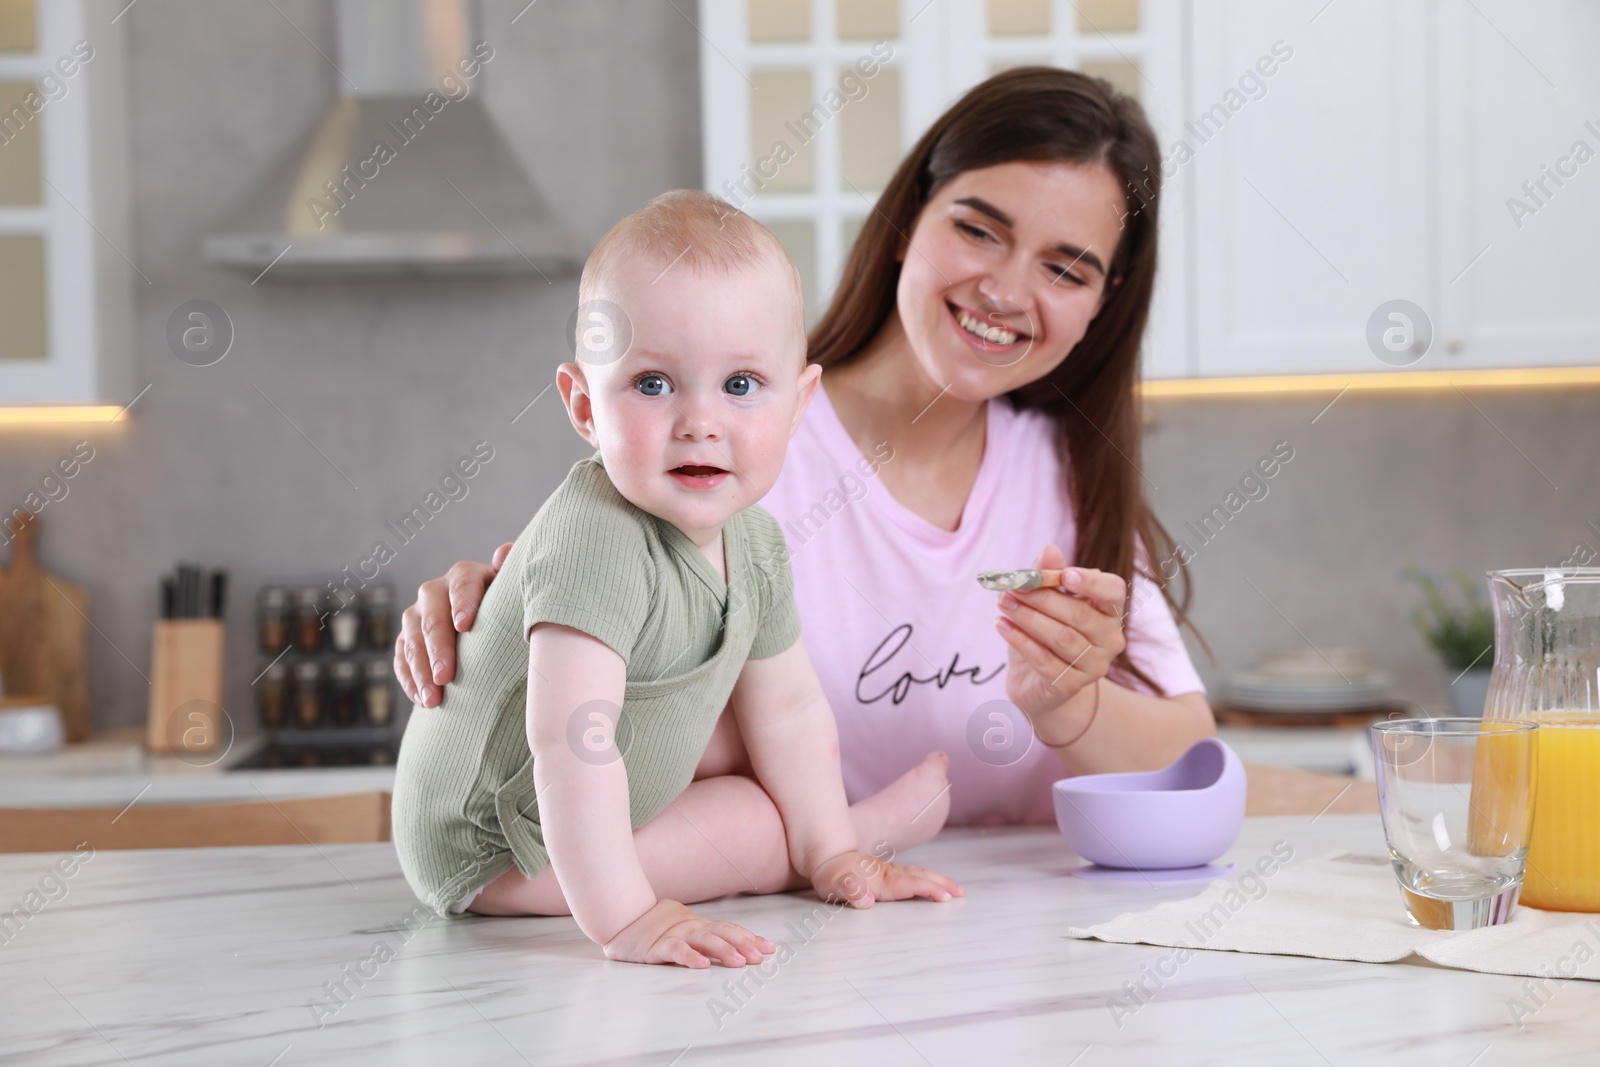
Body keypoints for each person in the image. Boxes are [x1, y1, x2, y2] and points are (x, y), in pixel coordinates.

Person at [396, 67, 1215, 832]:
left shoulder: (1066, 473)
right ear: (908, 221)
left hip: (1023, 947)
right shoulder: (732, 446)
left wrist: (1075, 707)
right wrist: (502, 635)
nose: (1005, 290)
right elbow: (605, 720)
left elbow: (1191, 758)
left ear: (1104, 304)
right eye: (977, 229)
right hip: (785, 942)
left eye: (1066, 272)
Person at [390, 191, 962, 970]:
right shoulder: (595, 538)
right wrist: (630, 918)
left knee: (755, 741)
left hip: (587, 805)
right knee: (758, 826)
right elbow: (570, 738)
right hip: (492, 843)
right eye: (653, 384)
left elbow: (790, 708)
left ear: (799, 406)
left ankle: (836, 839)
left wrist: (831, 855)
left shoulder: (753, 541)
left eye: (740, 385)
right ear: (586, 406)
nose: (700, 421)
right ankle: (853, 829)